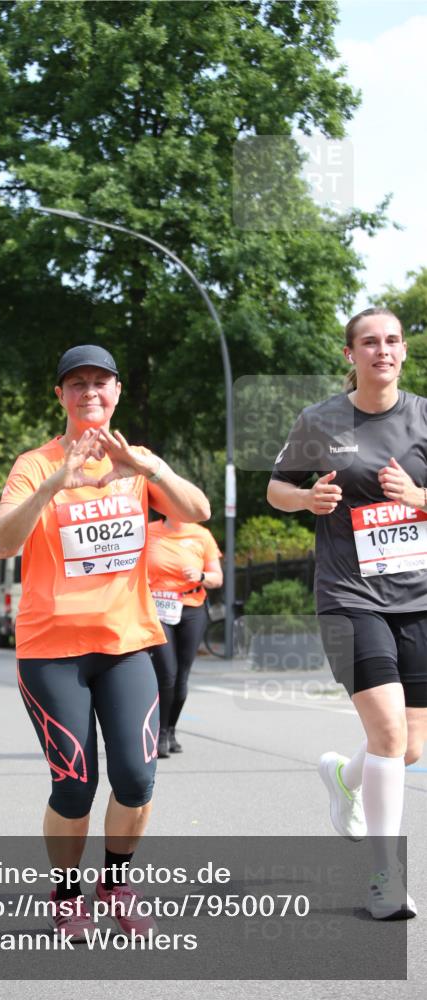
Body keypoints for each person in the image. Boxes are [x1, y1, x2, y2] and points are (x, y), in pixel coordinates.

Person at [0, 344, 210, 939]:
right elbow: (0, 543)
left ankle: (114, 880)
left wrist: (146, 468)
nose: (90, 392)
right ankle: (65, 892)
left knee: (137, 777)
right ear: (60, 395)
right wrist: (54, 484)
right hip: (51, 650)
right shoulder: (35, 464)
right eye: (77, 383)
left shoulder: (137, 461)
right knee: (75, 782)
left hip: (126, 642)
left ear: (115, 393)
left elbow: (199, 509)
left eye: (101, 383)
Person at [267, 307, 427, 920]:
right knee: (387, 733)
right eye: (368, 342)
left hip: (417, 597)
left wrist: (418, 498)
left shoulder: (422, 416)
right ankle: (386, 878)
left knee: (409, 747)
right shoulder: (321, 420)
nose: (381, 350)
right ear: (350, 355)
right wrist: (308, 497)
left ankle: (344, 780)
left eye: (391, 341)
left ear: (403, 351)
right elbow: (277, 488)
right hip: (348, 595)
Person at [147, 516, 223, 757]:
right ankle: (158, 735)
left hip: (191, 607)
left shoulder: (201, 535)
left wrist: (200, 576)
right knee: (166, 673)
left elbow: (217, 578)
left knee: (181, 676)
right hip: (158, 607)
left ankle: (170, 730)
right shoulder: (148, 531)